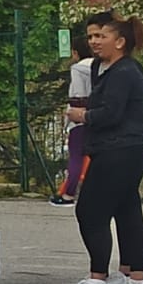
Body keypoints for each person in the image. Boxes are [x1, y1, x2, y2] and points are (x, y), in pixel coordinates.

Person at [63, 12, 143, 284]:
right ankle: (134, 278)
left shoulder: (125, 71)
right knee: (127, 211)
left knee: (90, 211)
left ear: (120, 42)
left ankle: (97, 280)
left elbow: (112, 113)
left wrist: (83, 115)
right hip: (114, 148)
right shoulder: (102, 68)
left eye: (101, 36)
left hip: (120, 149)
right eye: (91, 36)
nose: (94, 41)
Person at [54, 38, 94, 206]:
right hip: (97, 117)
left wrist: (72, 113)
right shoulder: (102, 67)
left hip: (79, 119)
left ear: (75, 53)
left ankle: (69, 193)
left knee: (76, 157)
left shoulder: (78, 69)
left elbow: (77, 94)